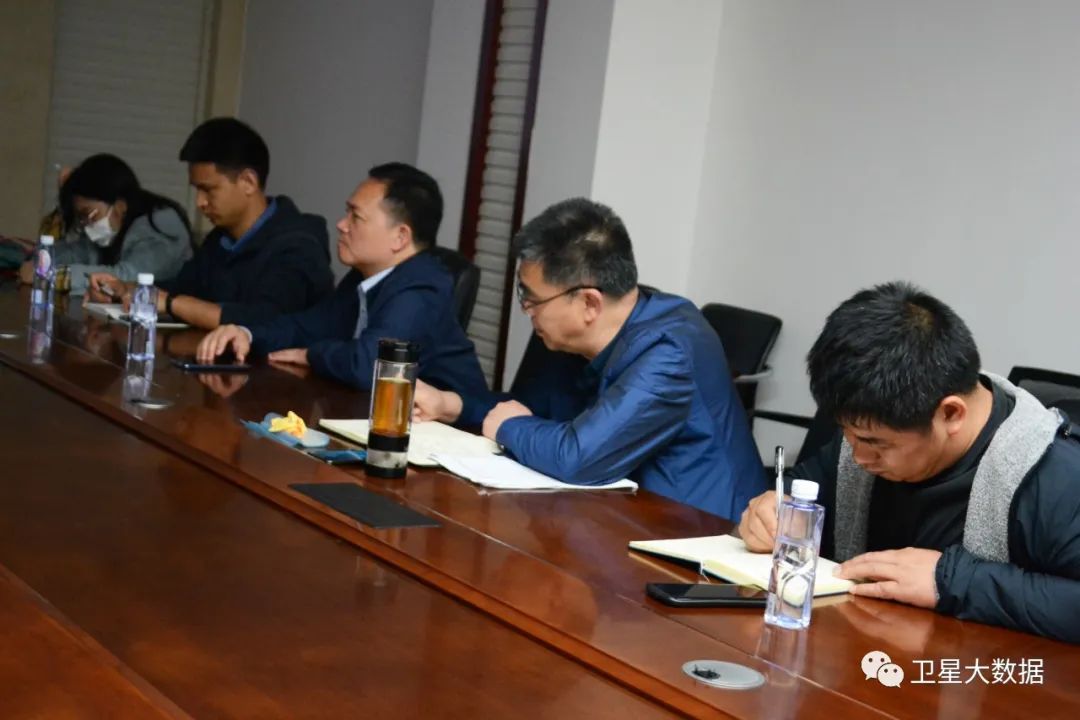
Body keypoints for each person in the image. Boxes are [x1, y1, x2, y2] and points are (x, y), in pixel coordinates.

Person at [737, 282, 1080, 642]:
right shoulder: (872, 423)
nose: (858, 456)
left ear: (950, 414)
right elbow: (797, 496)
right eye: (846, 433)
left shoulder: (1050, 476)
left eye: (875, 443)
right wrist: (769, 514)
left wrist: (952, 581)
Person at [412, 198, 765, 520]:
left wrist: (509, 427)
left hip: (697, 533)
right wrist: (451, 404)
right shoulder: (574, 334)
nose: (526, 309)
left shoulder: (668, 352)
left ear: (589, 303)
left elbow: (578, 456)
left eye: (532, 299)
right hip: (615, 513)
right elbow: (527, 412)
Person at [195, 163, 487, 397]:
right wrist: (246, 334)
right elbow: (306, 326)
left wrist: (312, 355)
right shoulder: (365, 275)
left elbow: (370, 367)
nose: (341, 224)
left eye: (355, 217)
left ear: (400, 237)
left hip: (450, 437)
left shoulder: (420, 287)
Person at [88, 118, 333, 329]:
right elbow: (183, 290)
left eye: (208, 190)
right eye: (197, 190)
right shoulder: (221, 239)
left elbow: (264, 320)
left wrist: (171, 303)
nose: (200, 203)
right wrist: (127, 290)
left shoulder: (298, 245)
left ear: (248, 182)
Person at [18, 155, 192, 293]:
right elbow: (75, 252)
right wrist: (40, 261)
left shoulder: (161, 224)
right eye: (81, 218)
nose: (86, 225)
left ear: (120, 205)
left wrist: (50, 275)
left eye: (89, 215)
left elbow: (125, 277)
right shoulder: (113, 231)